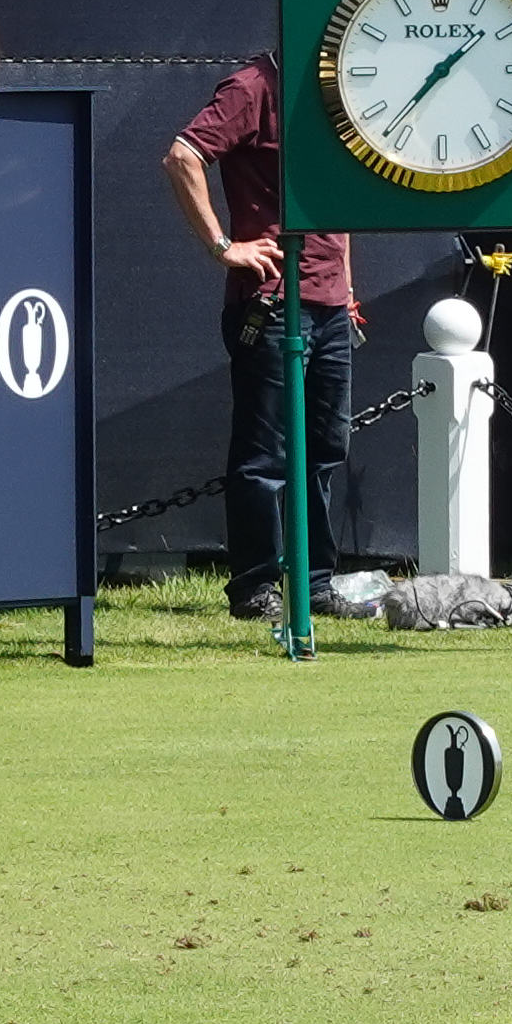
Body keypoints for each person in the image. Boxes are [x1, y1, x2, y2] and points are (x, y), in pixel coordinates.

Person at [162, 54, 366, 622]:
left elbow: (336, 196)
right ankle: (255, 586)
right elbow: (182, 155)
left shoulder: (335, 84)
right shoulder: (254, 86)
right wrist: (223, 246)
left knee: (325, 451)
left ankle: (314, 583)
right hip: (273, 304)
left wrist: (346, 285)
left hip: (329, 304)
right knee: (266, 456)